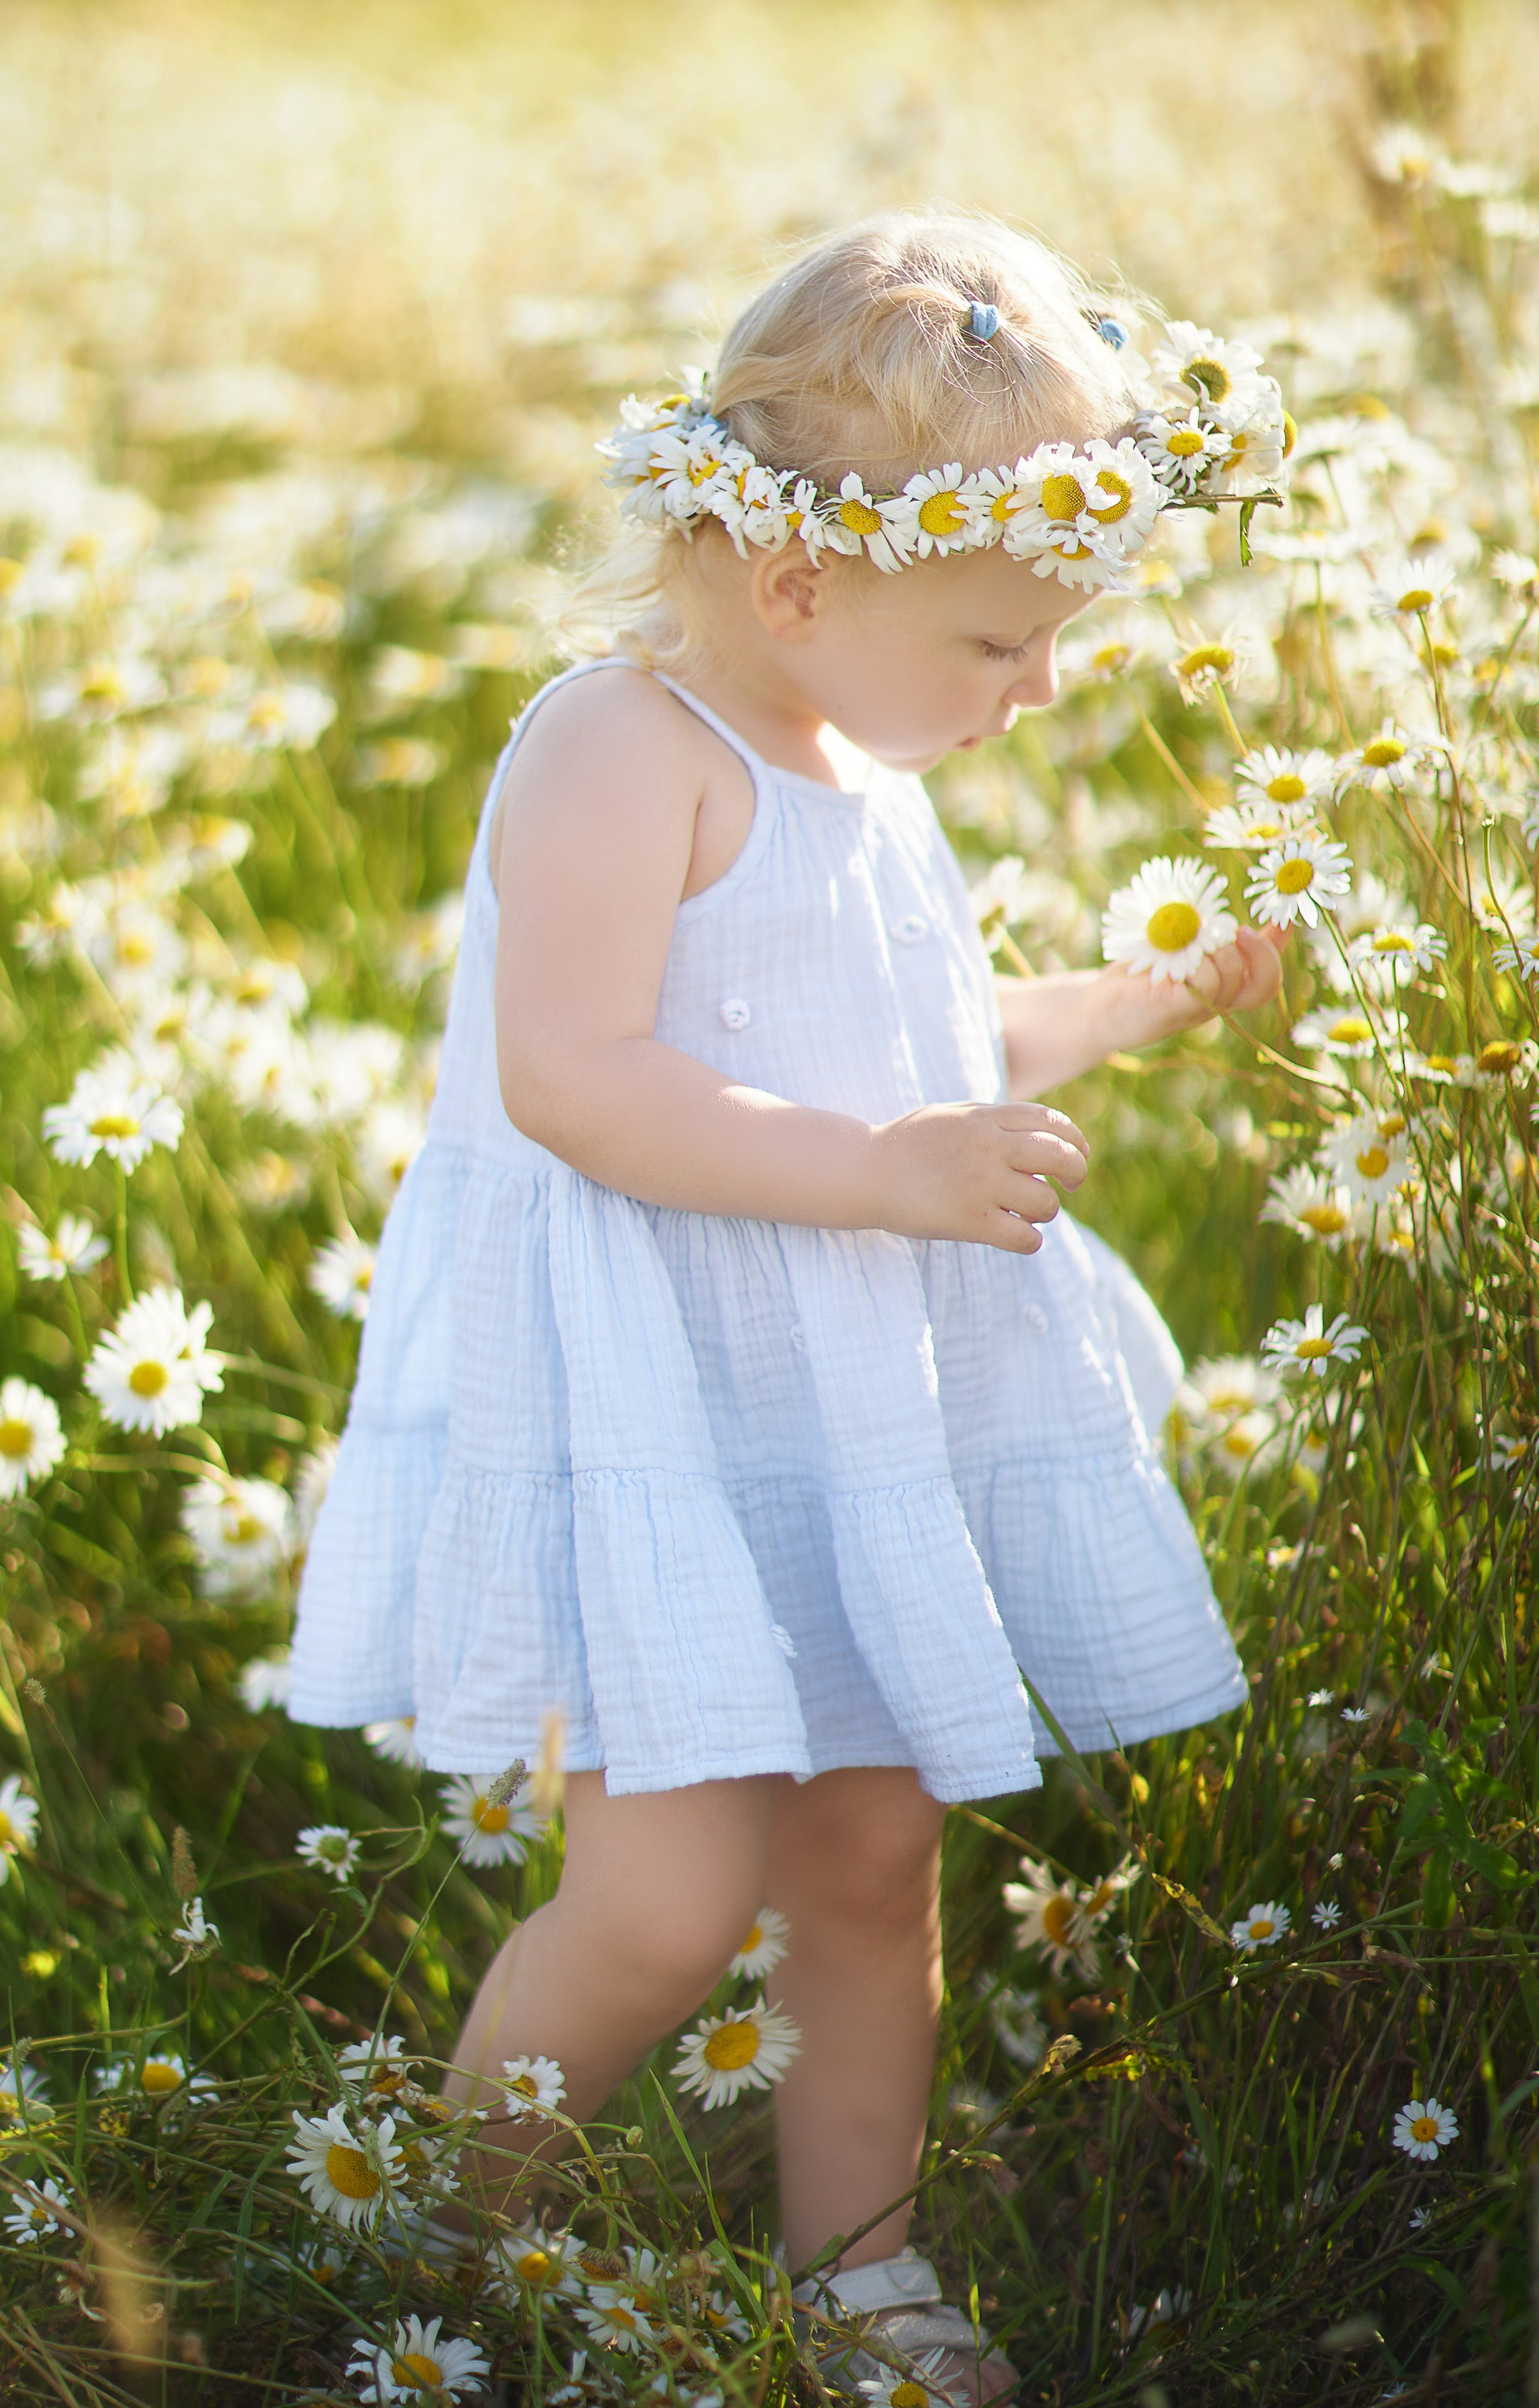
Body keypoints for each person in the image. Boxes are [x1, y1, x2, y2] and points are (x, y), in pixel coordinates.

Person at [288, 208, 1287, 2400]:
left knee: (868, 1843)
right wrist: (885, 1176)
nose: (1036, 687)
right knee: (656, 1904)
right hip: (662, 1399)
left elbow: (910, 1041)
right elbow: (576, 1079)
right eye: (999, 643)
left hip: (843, 1398)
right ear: (804, 582)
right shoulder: (615, 749)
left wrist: (1133, 998)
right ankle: (434, 2262)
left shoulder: (855, 764)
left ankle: (862, 2274)